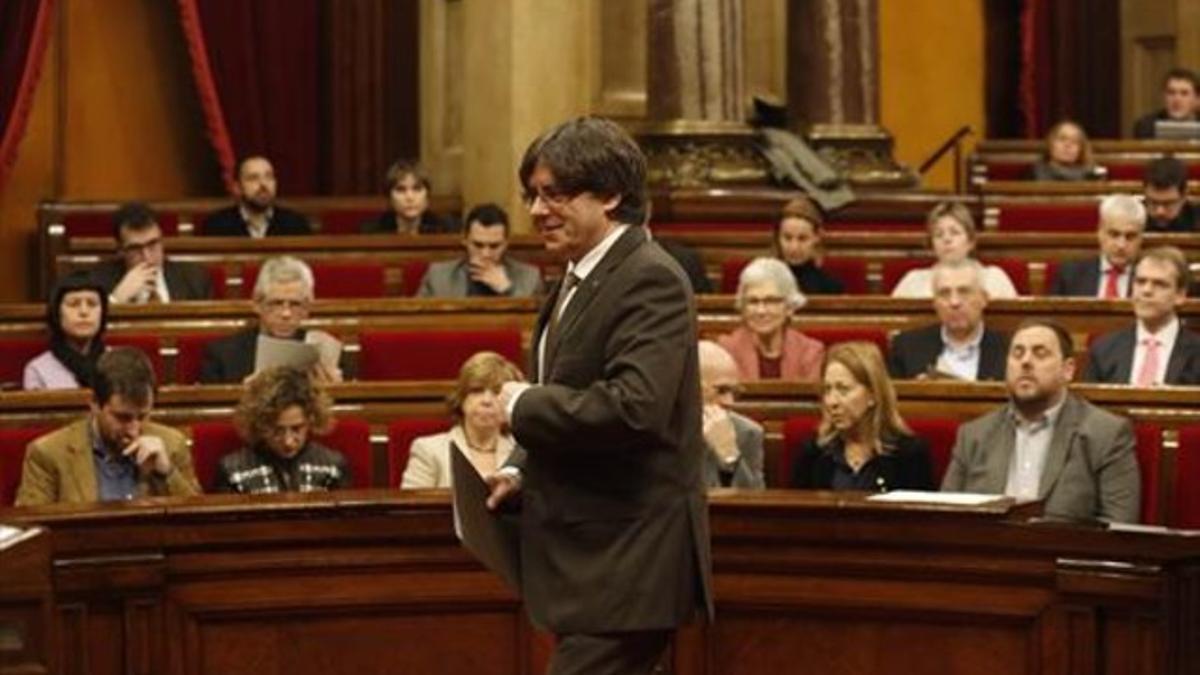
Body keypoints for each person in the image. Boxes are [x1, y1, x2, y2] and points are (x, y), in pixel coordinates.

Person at [487, 116, 712, 675]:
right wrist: (520, 467)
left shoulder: (648, 276)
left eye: (555, 194)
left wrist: (521, 407)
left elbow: (635, 407)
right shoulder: (577, 274)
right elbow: (571, 389)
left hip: (628, 563)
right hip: (594, 562)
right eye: (533, 196)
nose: (537, 211)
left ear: (611, 194)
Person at [941, 319, 1140, 523]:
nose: (1025, 361)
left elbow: (1119, 527)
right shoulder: (974, 435)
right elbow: (946, 520)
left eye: (1040, 353)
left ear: (1068, 370)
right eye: (1017, 353)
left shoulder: (1106, 434)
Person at [15, 347, 201, 506]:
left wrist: (166, 473)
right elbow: (31, 532)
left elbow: (199, 523)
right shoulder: (48, 453)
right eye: (123, 418)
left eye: (143, 416)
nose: (134, 429)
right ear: (95, 403)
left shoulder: (171, 444)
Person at [791, 341, 934, 491]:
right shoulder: (814, 452)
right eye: (827, 390)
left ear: (873, 394)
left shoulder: (909, 455)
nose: (831, 401)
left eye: (843, 389)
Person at [199, 256, 344, 384]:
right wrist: (244, 395)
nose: (286, 314)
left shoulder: (322, 353)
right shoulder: (223, 355)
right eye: (276, 303)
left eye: (295, 304)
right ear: (257, 304)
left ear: (306, 309)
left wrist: (334, 391)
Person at [212, 367, 351, 493]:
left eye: (296, 429)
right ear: (260, 425)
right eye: (277, 430)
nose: (288, 441)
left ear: (311, 420)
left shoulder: (332, 466)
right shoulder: (232, 470)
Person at [402, 351, 523, 488]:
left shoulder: (521, 453)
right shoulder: (429, 450)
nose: (487, 401)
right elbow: (412, 506)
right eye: (477, 391)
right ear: (462, 398)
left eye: (496, 392)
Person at [1083, 247, 1200, 386]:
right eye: (1140, 281)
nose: (1146, 290)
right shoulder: (1103, 348)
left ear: (1180, 295)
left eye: (1160, 284)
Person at [888, 259, 1009, 381]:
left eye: (964, 292)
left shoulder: (1008, 350)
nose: (954, 302)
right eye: (944, 293)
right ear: (934, 303)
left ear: (984, 299)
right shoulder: (906, 348)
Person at [717, 257, 824, 381]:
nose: (761, 311)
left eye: (771, 301)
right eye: (753, 301)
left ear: (789, 307)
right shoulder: (726, 350)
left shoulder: (809, 352)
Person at [90, 202, 213, 303]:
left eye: (152, 244)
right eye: (135, 249)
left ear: (162, 241)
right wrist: (116, 299)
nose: (147, 257)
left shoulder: (194, 278)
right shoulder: (99, 281)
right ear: (120, 250)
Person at [891, 202, 1018, 299]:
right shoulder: (913, 281)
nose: (946, 239)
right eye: (939, 235)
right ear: (932, 244)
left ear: (971, 241)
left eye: (955, 232)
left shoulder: (994, 278)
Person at [416, 203, 543, 297]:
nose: (485, 254)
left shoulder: (530, 278)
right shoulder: (438, 277)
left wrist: (507, 289)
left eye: (494, 246)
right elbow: (418, 323)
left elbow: (534, 324)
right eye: (478, 245)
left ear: (506, 244)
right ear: (465, 240)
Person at [697, 340, 765, 489]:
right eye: (721, 390)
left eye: (735, 392)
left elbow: (756, 505)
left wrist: (730, 457)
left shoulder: (748, 433)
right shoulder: (655, 428)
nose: (730, 402)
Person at [1048, 194, 1145, 298]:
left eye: (1130, 237)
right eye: (1114, 234)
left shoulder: (1150, 279)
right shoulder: (1070, 275)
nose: (1121, 245)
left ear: (1140, 238)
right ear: (1100, 233)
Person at [24, 275, 108, 390]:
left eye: (92, 304)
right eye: (73, 304)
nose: (84, 312)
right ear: (57, 314)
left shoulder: (121, 363)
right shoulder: (38, 369)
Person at [202, 155, 312, 237]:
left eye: (269, 177)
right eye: (253, 178)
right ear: (237, 187)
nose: (263, 184)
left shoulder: (296, 224)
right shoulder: (217, 226)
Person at [360, 159, 457, 234]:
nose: (409, 197)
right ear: (389, 197)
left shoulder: (445, 228)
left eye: (417, 189)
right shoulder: (371, 231)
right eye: (401, 190)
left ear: (427, 195)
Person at [772, 195, 845, 294]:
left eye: (802, 239)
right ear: (778, 237)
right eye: (787, 238)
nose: (794, 247)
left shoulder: (831, 287)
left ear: (817, 237)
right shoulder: (762, 283)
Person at [1132, 67, 1200, 139]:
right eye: (1171, 93)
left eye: (1184, 94)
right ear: (1164, 96)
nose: (1177, 99)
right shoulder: (1146, 126)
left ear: (1197, 98)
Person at [1031, 120, 1101, 182]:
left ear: (1081, 149)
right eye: (1062, 139)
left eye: (1074, 141)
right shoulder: (1034, 174)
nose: (1068, 145)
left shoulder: (1092, 176)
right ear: (1051, 144)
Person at [1142, 157, 1195, 233]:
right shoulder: (1131, 217)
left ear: (1184, 196)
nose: (1160, 212)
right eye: (1153, 202)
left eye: (1168, 203)